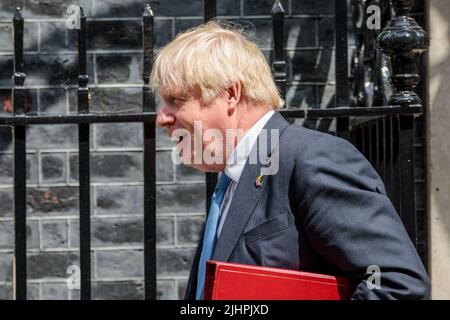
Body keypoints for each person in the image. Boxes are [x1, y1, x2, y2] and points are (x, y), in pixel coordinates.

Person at [150, 21, 430, 300]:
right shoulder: (232, 179)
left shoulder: (312, 158)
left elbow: (397, 283)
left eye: (176, 99)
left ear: (231, 95)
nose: (162, 118)